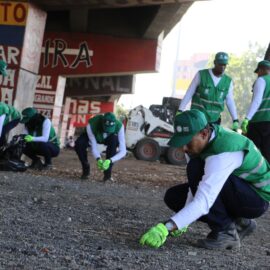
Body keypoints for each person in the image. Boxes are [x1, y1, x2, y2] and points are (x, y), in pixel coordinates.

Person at [140, 109, 269, 250]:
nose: (183, 148)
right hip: (239, 191)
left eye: (188, 142)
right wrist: (181, 222)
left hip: (256, 200)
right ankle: (240, 222)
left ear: (204, 133)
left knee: (196, 168)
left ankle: (226, 232)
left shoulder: (222, 153)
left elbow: (203, 201)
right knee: (174, 197)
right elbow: (194, 187)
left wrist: (167, 227)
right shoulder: (203, 144)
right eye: (181, 142)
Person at [177, 52, 239, 130]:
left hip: (214, 121)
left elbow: (230, 101)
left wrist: (235, 119)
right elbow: (189, 93)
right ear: (215, 62)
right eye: (220, 64)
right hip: (197, 118)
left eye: (225, 65)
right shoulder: (201, 75)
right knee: (196, 141)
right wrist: (180, 110)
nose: (223, 67)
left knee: (211, 142)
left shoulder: (228, 81)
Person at [75, 112, 126, 181]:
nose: (107, 131)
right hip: (95, 136)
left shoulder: (120, 126)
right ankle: (85, 166)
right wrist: (98, 159)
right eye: (106, 128)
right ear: (102, 122)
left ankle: (107, 174)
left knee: (114, 139)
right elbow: (94, 146)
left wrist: (110, 161)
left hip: (108, 139)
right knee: (79, 143)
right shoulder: (92, 124)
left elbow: (123, 151)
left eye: (110, 130)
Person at [241, 60, 270, 163]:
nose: (257, 74)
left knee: (253, 152)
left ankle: (254, 176)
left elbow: (257, 101)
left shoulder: (261, 80)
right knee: (268, 152)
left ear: (261, 70)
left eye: (258, 72)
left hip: (259, 122)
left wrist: (247, 119)